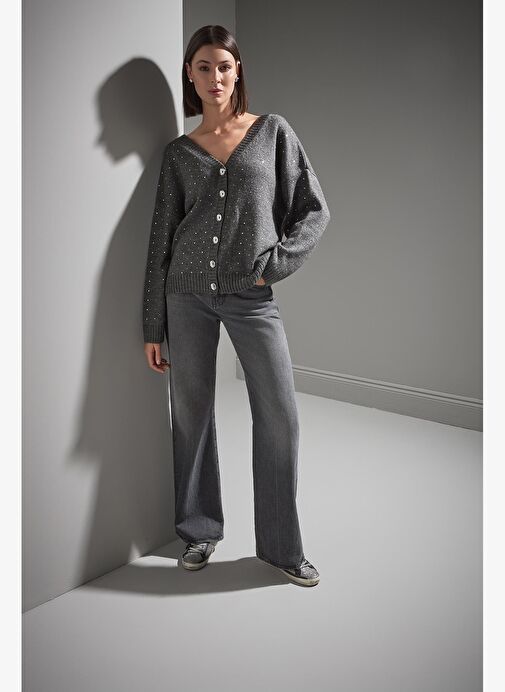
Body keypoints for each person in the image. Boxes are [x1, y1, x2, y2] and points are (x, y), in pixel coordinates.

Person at [142, 25, 331, 587]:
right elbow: (161, 240)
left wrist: (273, 265)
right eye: (203, 67)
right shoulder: (179, 153)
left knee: (279, 415)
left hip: (251, 296)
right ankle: (199, 530)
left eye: (223, 66)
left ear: (237, 70)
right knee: (192, 415)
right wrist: (153, 323)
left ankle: (280, 547)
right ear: (190, 75)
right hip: (186, 296)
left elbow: (314, 209)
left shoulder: (272, 132)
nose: (214, 77)